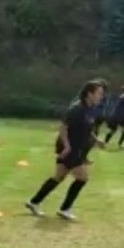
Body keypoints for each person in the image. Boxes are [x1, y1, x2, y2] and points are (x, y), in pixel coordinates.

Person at [25, 80, 107, 221]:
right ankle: (65, 209)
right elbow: (63, 127)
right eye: (99, 93)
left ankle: (33, 202)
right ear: (89, 94)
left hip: (74, 148)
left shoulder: (90, 109)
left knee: (58, 177)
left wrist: (96, 140)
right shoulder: (77, 109)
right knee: (82, 178)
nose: (101, 96)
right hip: (69, 149)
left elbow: (87, 129)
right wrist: (67, 146)